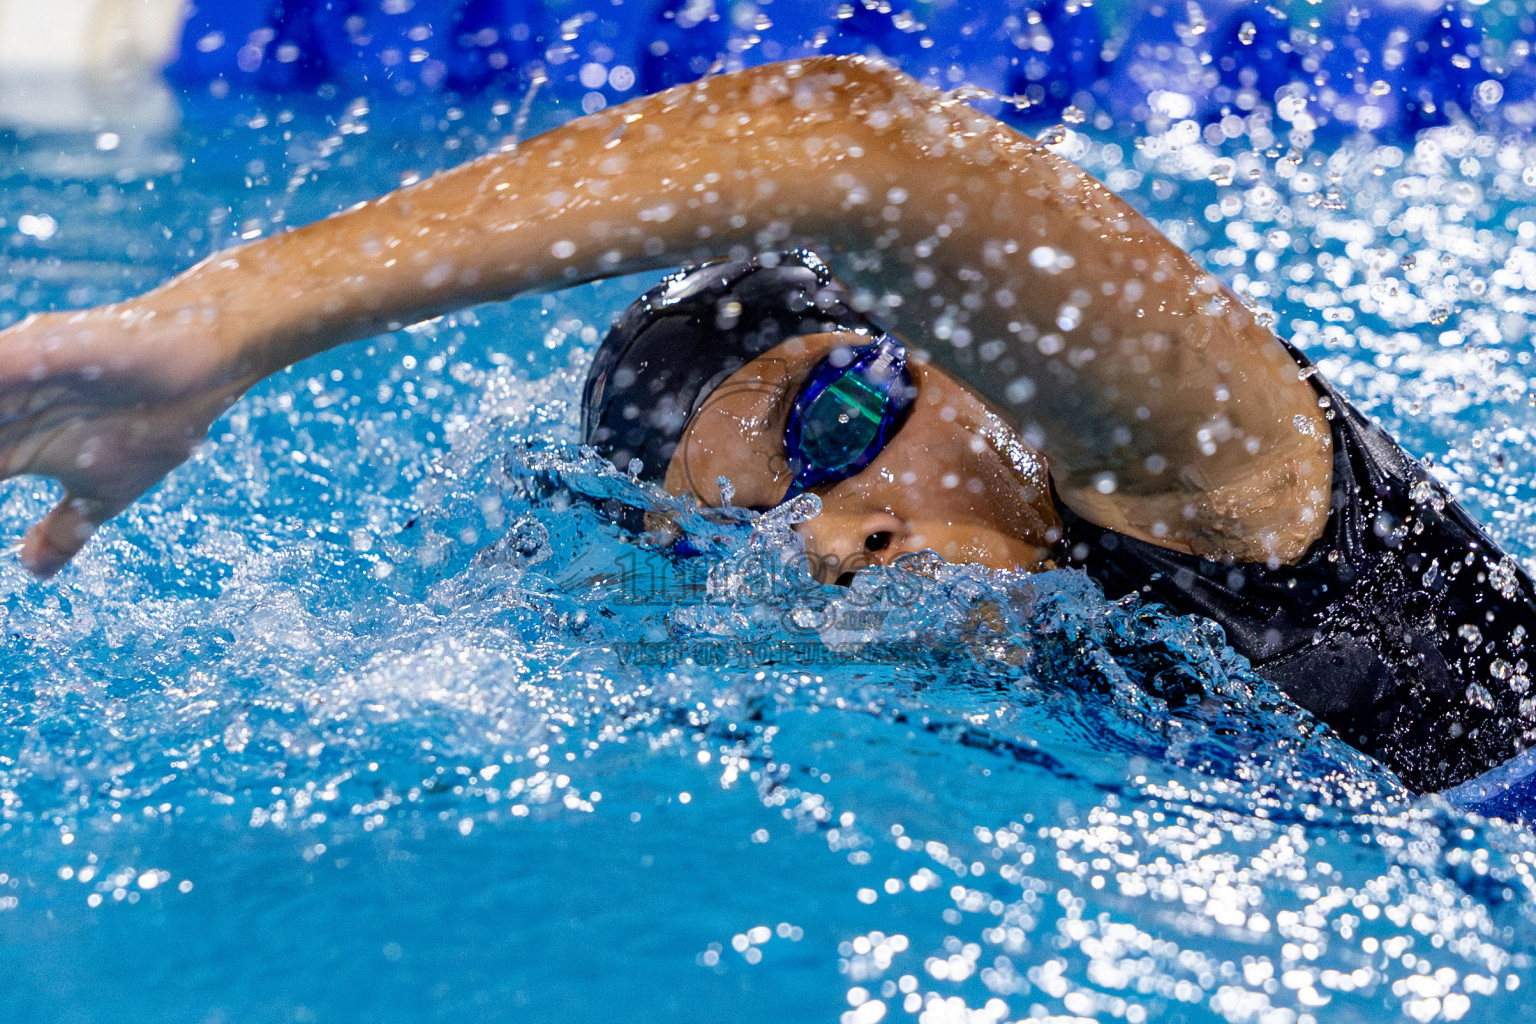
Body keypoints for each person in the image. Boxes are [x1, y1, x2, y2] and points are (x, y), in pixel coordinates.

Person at [0, 55, 1530, 794]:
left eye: (840, 416)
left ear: (972, 355)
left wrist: (234, 318)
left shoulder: (1237, 497)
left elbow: (852, 144)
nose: (842, 535)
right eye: (767, 526)